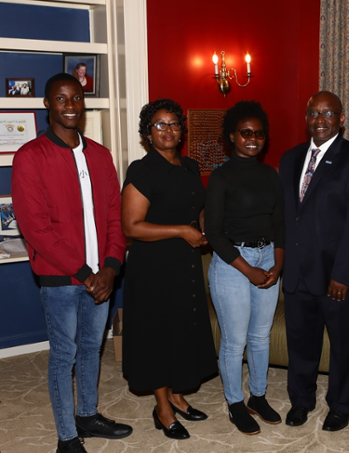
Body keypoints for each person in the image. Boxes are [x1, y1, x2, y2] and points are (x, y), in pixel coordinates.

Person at [11, 73, 132, 453]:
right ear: (47, 104)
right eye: (61, 99)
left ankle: (87, 415)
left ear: (84, 102)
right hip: (61, 278)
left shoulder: (100, 154)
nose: (70, 106)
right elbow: (36, 228)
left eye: (76, 98)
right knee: (64, 355)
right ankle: (67, 436)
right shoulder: (30, 156)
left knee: (92, 347)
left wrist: (110, 267)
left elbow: (115, 214)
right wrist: (85, 273)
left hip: (103, 276)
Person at [278, 91, 349, 432]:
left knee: (345, 346)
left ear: (341, 119)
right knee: (301, 344)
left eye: (328, 113)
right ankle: (301, 401)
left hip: (340, 278)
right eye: (314, 113)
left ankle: (341, 404)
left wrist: (344, 275)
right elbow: (287, 217)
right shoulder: (291, 159)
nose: (320, 120)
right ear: (306, 117)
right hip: (299, 275)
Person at [121, 98, 217, 440]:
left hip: (185, 264)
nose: (168, 130)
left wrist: (203, 225)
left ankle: (177, 395)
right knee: (157, 335)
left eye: (174, 124)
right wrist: (181, 230)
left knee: (181, 330)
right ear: (148, 133)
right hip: (153, 268)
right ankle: (162, 408)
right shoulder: (142, 170)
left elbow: (197, 207)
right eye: (160, 125)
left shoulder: (190, 167)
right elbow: (131, 226)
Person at [204, 100, 285, 435]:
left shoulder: (270, 174)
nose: (253, 139)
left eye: (259, 134)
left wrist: (277, 264)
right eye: (245, 133)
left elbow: (280, 224)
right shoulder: (221, 177)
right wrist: (248, 270)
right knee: (235, 340)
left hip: (268, 259)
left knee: (260, 337)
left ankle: (259, 396)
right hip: (231, 263)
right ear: (232, 137)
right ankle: (235, 402)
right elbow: (214, 233)